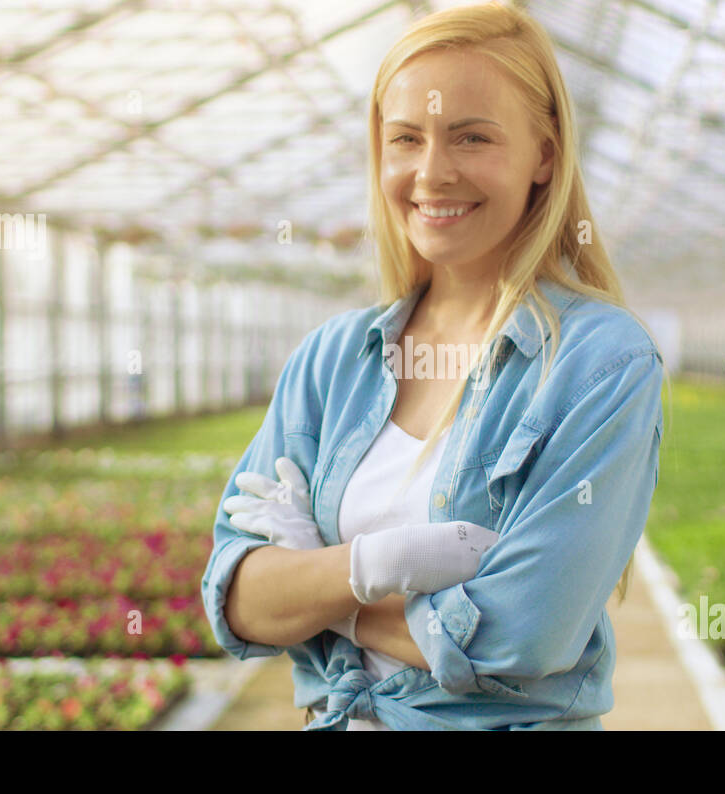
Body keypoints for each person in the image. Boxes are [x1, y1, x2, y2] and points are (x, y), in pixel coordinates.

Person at [200, 1, 665, 730]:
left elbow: (521, 632)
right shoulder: (332, 360)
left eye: (472, 137)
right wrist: (383, 564)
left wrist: (323, 594)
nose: (432, 173)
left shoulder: (601, 362)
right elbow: (234, 599)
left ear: (545, 153)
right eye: (405, 139)